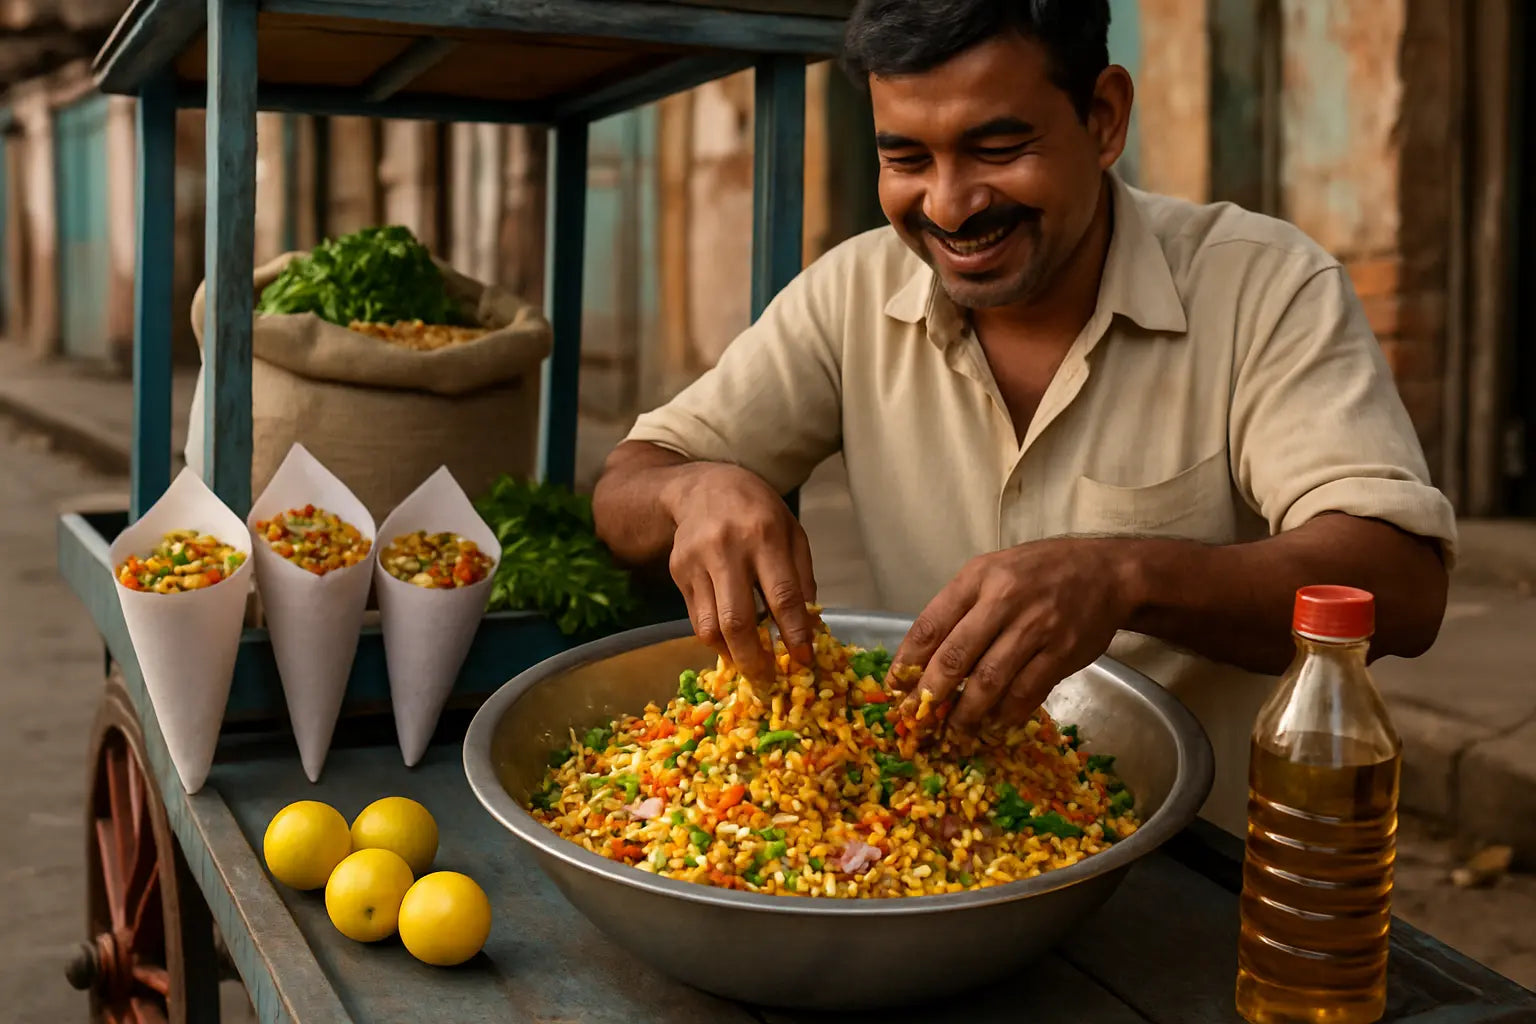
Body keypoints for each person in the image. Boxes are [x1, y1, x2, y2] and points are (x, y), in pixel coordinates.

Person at [590, 0, 1456, 834]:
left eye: (998, 147)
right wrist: (697, 489)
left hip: (1200, 876)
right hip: (926, 854)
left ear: (1105, 117)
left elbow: (1403, 586)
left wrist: (1123, 578)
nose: (950, 205)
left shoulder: (1265, 288)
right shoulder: (850, 293)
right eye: (906, 159)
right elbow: (630, 482)